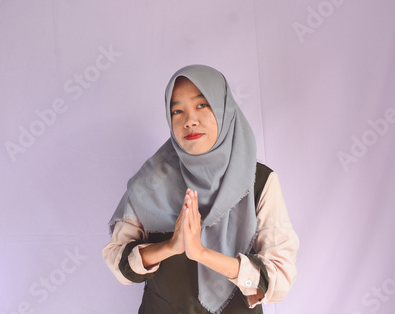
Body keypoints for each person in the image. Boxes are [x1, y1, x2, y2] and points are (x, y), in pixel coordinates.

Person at [102, 64, 299, 314]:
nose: (189, 121)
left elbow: (279, 277)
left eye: (201, 105)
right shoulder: (150, 181)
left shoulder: (259, 181)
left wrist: (202, 253)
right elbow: (118, 261)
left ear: (224, 109)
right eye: (177, 111)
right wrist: (171, 246)